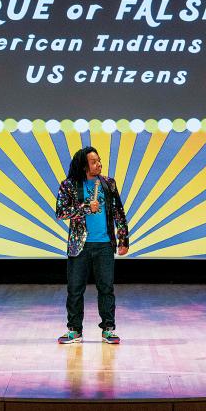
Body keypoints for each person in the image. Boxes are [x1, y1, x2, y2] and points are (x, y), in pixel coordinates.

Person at [55, 146, 129, 344]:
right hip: (80, 246)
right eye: (94, 161)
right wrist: (86, 207)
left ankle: (108, 329)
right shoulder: (69, 185)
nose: (99, 164)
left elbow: (118, 213)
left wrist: (123, 239)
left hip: (104, 244)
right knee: (75, 288)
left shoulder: (108, 183)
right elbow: (61, 212)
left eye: (99, 160)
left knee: (106, 288)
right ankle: (74, 330)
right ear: (84, 165)